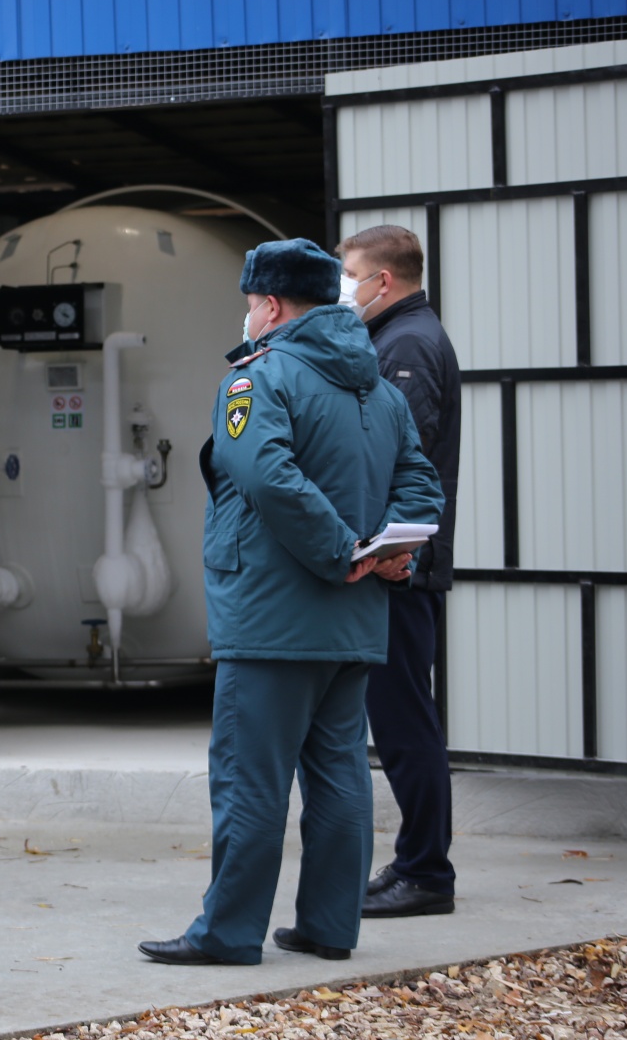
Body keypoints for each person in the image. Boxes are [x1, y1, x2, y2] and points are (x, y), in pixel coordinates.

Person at [138, 238, 443, 967]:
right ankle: (331, 925)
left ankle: (229, 931)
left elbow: (263, 472)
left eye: (250, 303)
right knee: (339, 774)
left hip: (271, 617)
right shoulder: (379, 389)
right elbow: (422, 486)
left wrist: (340, 550)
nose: (246, 316)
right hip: (356, 618)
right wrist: (390, 553)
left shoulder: (258, 379)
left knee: (251, 778)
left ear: (271, 305)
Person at [337, 225, 463, 919]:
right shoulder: (397, 337)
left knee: (406, 720)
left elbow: (397, 456)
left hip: (401, 567)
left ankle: (427, 872)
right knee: (402, 718)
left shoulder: (406, 344)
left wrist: (385, 548)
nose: (342, 288)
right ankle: (415, 859)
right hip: (398, 562)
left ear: (381, 279)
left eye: (348, 274)